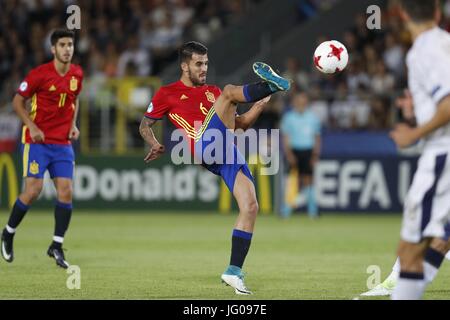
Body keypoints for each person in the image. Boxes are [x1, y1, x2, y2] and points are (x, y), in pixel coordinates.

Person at [139, 41, 290, 295]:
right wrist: (153, 143)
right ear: (184, 66)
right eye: (199, 64)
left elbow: (239, 125)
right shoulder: (167, 93)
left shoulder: (213, 92)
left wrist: (258, 106)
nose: (204, 68)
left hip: (225, 150)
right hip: (202, 144)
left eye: (206, 63)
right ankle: (271, 84)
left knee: (251, 206)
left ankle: (233, 271)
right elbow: (145, 125)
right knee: (231, 91)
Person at [1, 29, 83, 269]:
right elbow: (17, 101)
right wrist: (31, 126)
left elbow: (74, 99)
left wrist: (73, 123)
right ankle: (8, 232)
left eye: (70, 44)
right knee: (33, 190)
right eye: (63, 45)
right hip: (37, 142)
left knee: (66, 191)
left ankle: (56, 245)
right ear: (53, 49)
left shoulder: (77, 73)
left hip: (62, 143)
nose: (67, 49)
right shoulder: (39, 74)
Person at [387, 0, 450, 299]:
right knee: (441, 237)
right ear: (437, 13)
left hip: (443, 152)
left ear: (402, 14)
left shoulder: (424, 50)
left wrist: (413, 133)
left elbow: (448, 104)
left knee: (408, 250)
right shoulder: (444, 44)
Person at [280, 92, 321, 218]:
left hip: (308, 151)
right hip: (294, 150)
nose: (301, 104)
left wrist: (315, 155)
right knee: (292, 181)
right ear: (294, 103)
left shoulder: (313, 118)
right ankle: (286, 210)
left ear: (306, 103)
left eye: (303, 101)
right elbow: (286, 137)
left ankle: (312, 211)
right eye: (298, 101)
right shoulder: (289, 117)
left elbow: (317, 138)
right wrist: (289, 154)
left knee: (308, 180)